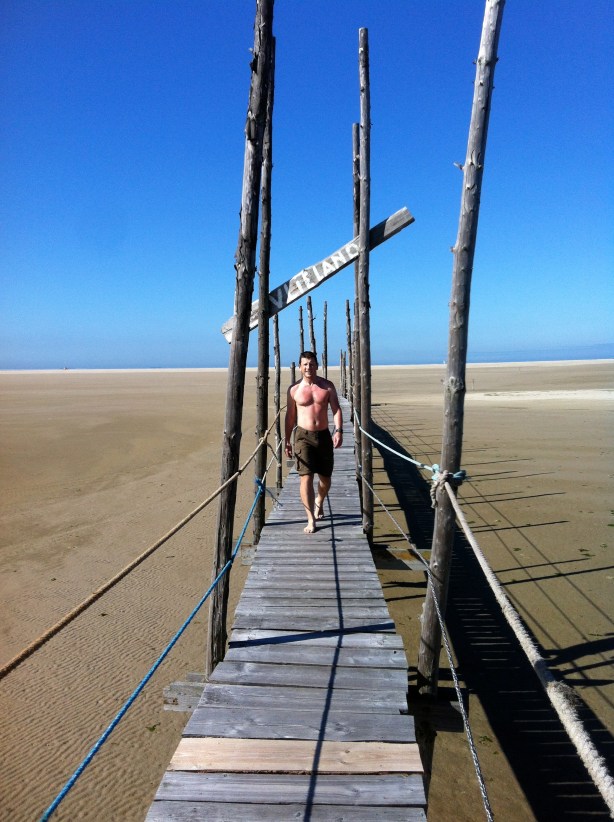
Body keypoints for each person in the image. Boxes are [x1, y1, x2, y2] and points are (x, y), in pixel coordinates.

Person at [284, 351, 343, 533]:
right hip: (303, 437)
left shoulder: (327, 387)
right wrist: (287, 440)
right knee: (306, 477)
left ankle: (319, 500)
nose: (308, 367)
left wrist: (339, 430)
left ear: (317, 365)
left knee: (325, 478)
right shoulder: (294, 390)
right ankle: (310, 519)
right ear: (300, 367)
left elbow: (336, 409)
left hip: (324, 435)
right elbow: (290, 416)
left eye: (311, 364)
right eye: (305, 364)